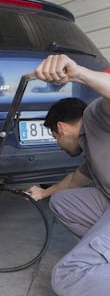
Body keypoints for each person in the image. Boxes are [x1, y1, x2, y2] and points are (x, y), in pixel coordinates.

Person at [27, 54, 110, 296]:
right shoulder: (91, 150)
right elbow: (75, 180)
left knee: (69, 277)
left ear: (61, 128)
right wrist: (43, 193)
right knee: (62, 201)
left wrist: (79, 73)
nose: (59, 144)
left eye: (55, 138)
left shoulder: (95, 117)